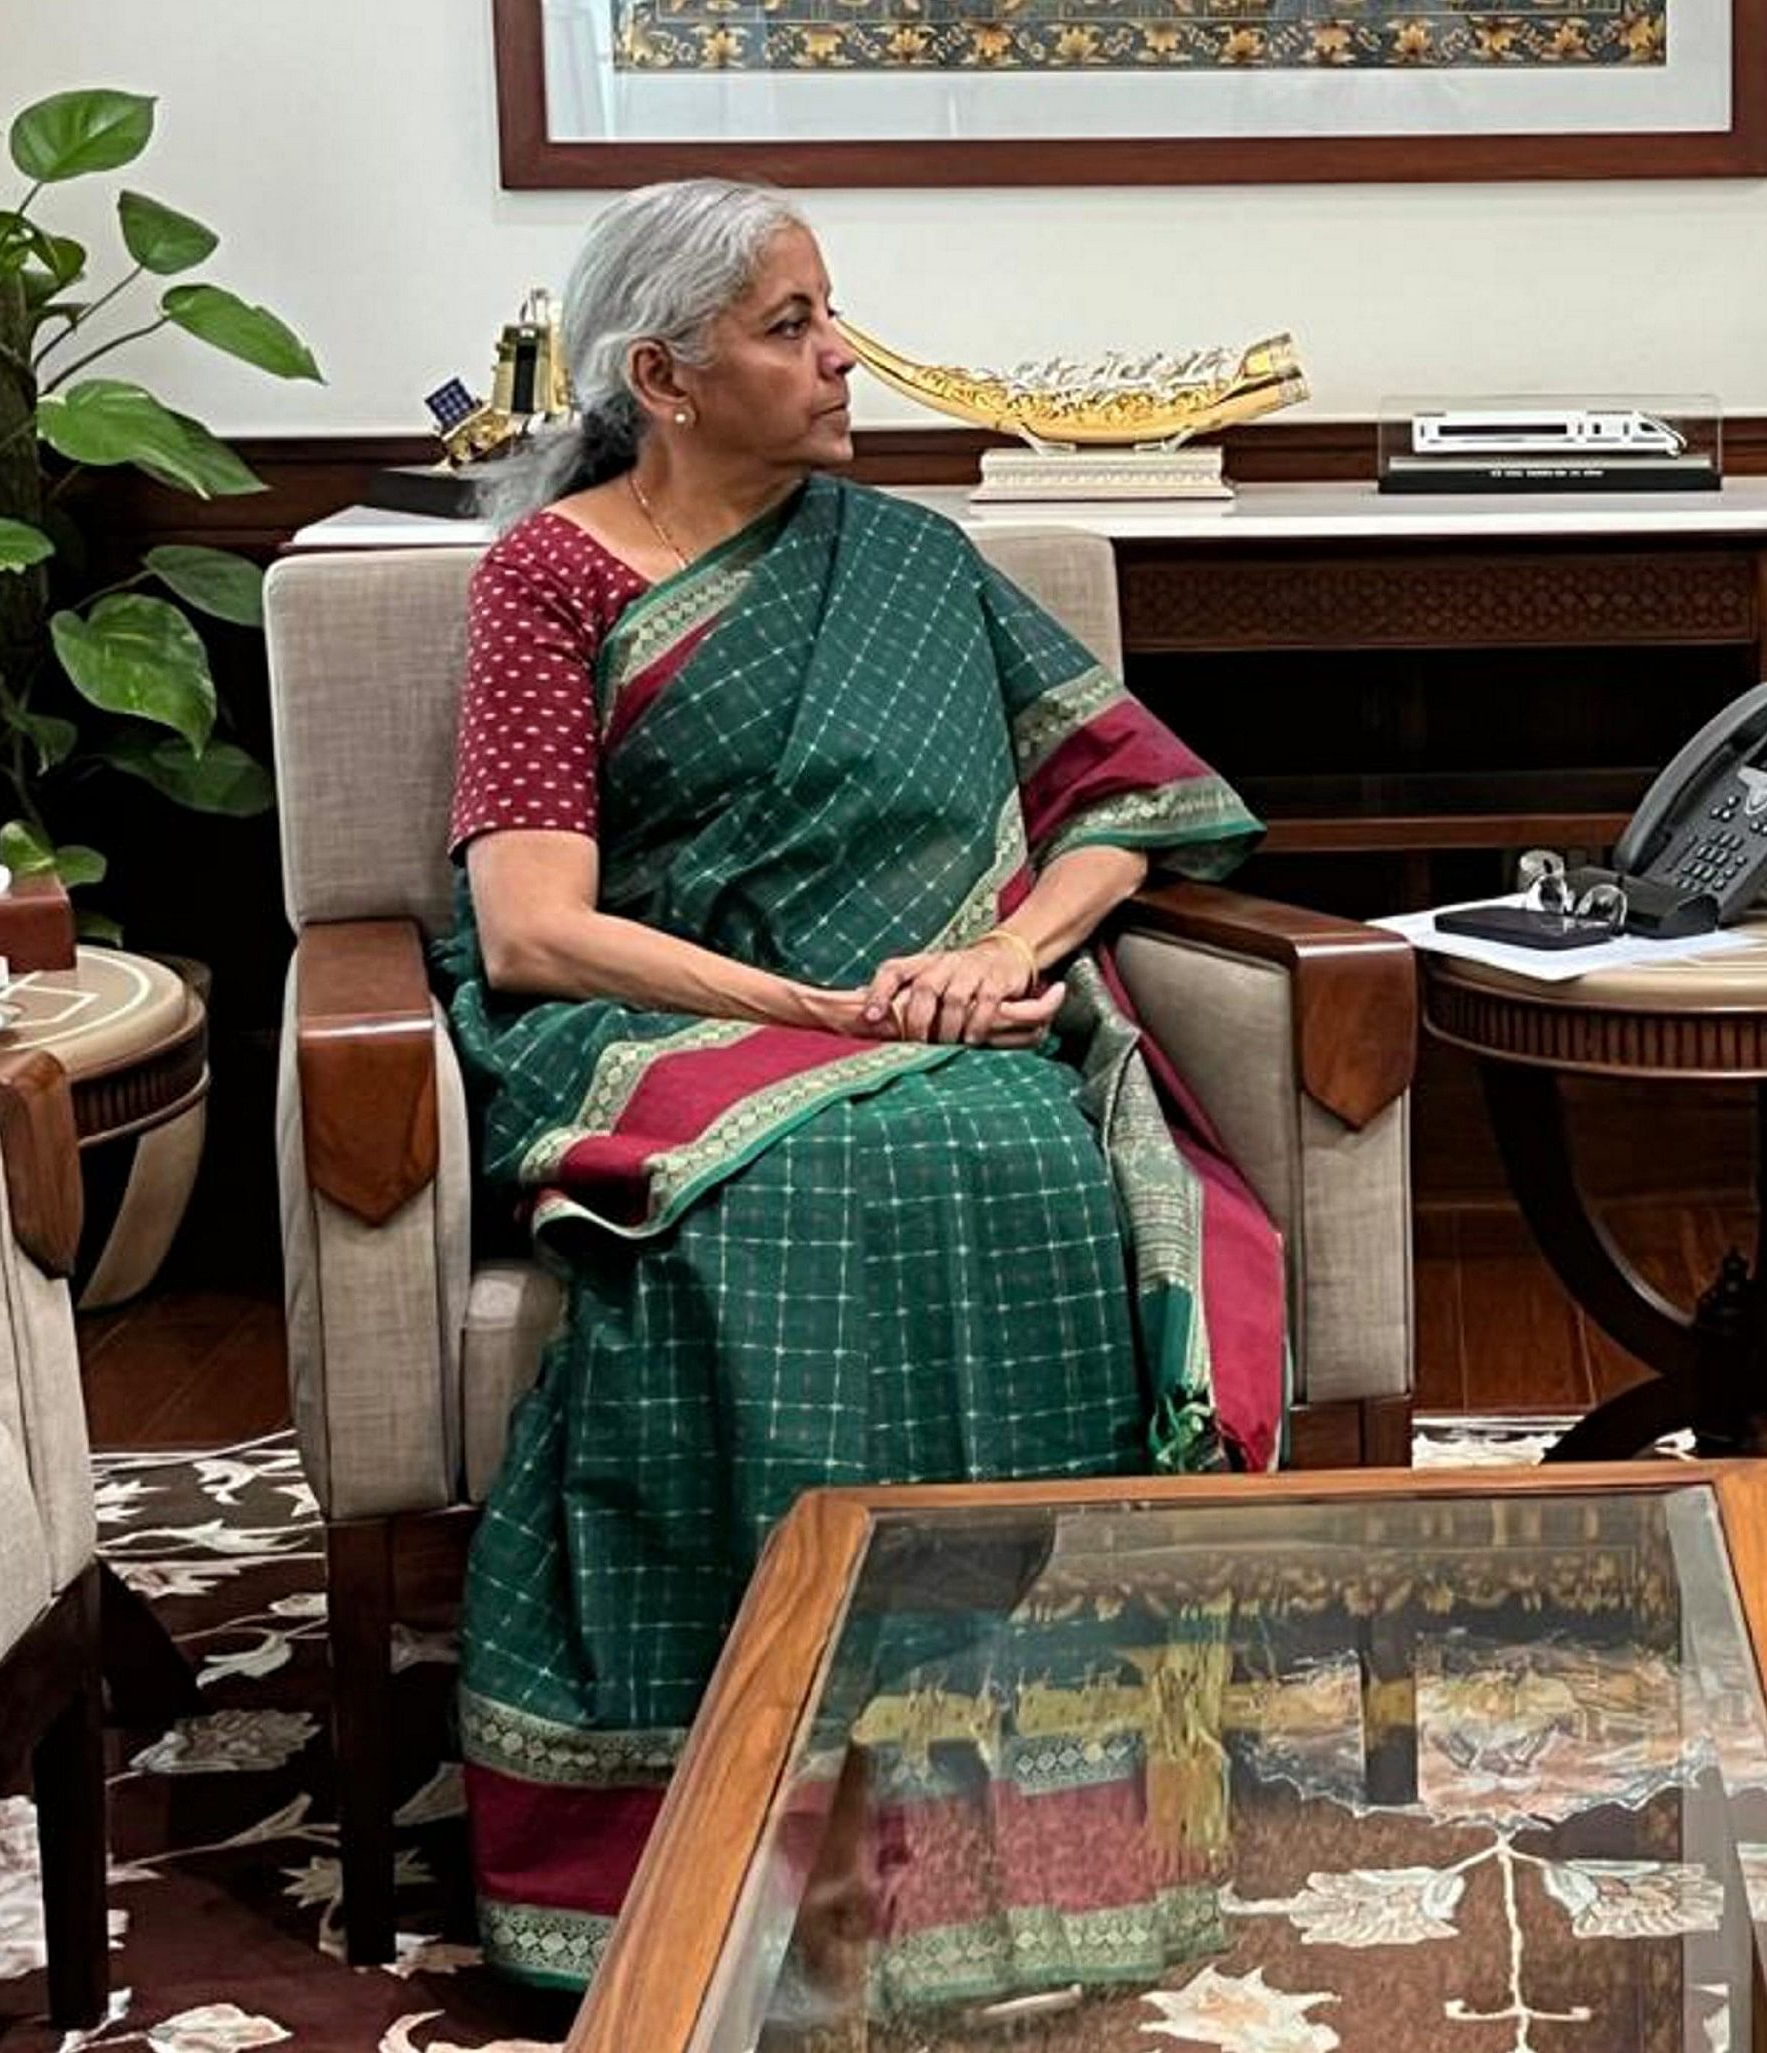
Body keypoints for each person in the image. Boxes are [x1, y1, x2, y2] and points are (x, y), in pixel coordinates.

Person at [437, 178, 1284, 1988]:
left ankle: (1045, 1836)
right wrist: (815, 1005)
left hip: (943, 1026)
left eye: (830, 311)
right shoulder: (550, 577)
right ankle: (747, 1833)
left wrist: (1013, 953)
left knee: (1017, 1162)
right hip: (664, 1028)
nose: (844, 358)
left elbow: (1128, 806)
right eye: (791, 327)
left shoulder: (906, 560)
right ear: (662, 376)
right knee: (811, 1193)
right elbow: (528, 926)